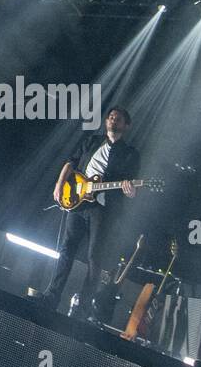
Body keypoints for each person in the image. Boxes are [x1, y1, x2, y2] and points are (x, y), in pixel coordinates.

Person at [41, 106, 142, 323]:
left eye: (118, 119)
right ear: (106, 122)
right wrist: (59, 185)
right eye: (111, 117)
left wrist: (131, 190)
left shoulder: (130, 154)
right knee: (66, 249)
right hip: (78, 204)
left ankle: (82, 310)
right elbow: (71, 162)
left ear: (126, 125)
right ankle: (51, 297)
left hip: (102, 210)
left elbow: (131, 190)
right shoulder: (91, 141)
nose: (113, 121)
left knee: (95, 259)